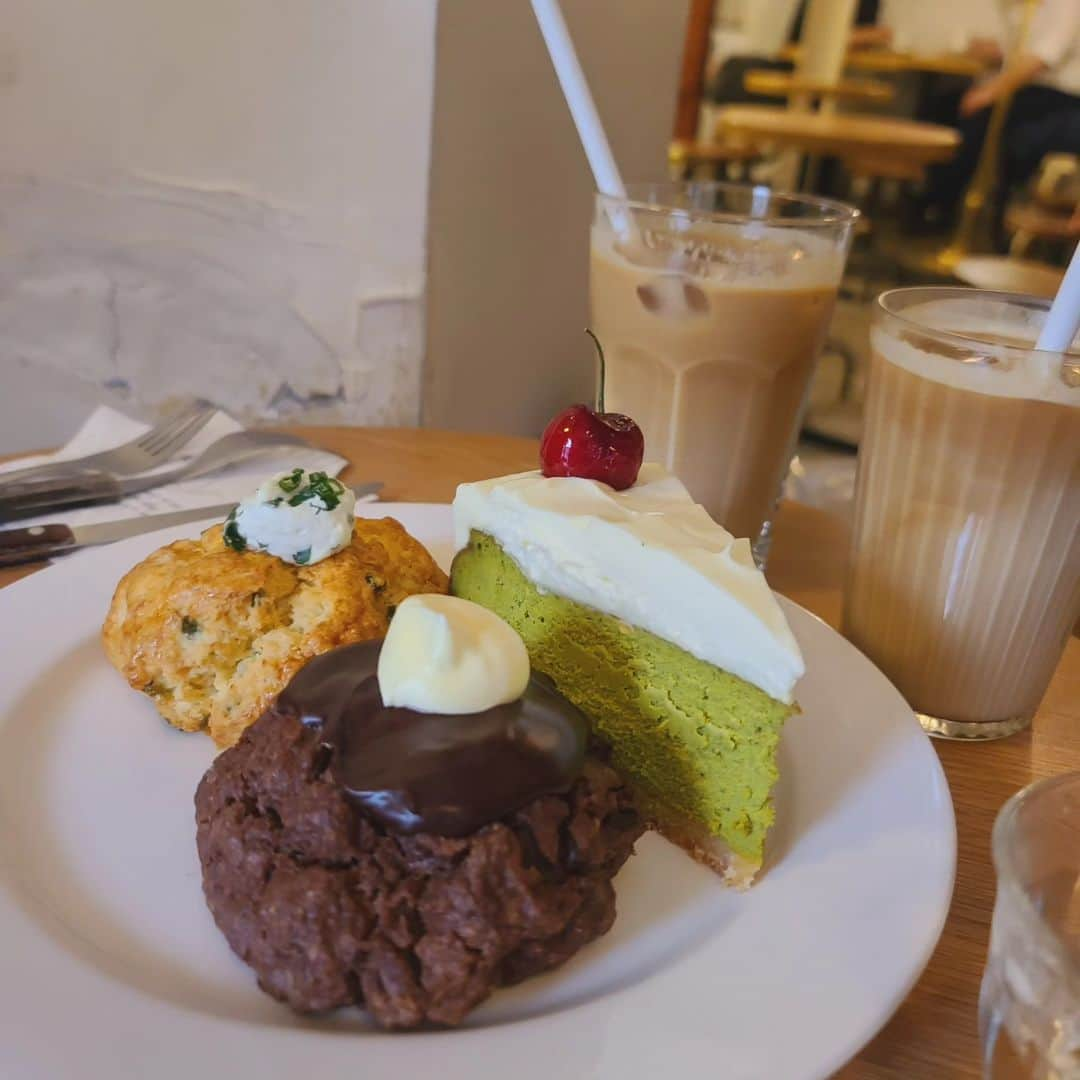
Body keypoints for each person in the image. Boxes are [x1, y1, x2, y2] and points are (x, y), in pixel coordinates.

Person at [917, 0, 1080, 235]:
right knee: (946, 103)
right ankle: (936, 199)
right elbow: (1025, 52)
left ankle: (941, 205)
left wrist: (989, 92)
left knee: (979, 119)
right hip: (1036, 96)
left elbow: (1043, 56)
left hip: (1061, 103)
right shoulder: (1028, 8)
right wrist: (996, 53)